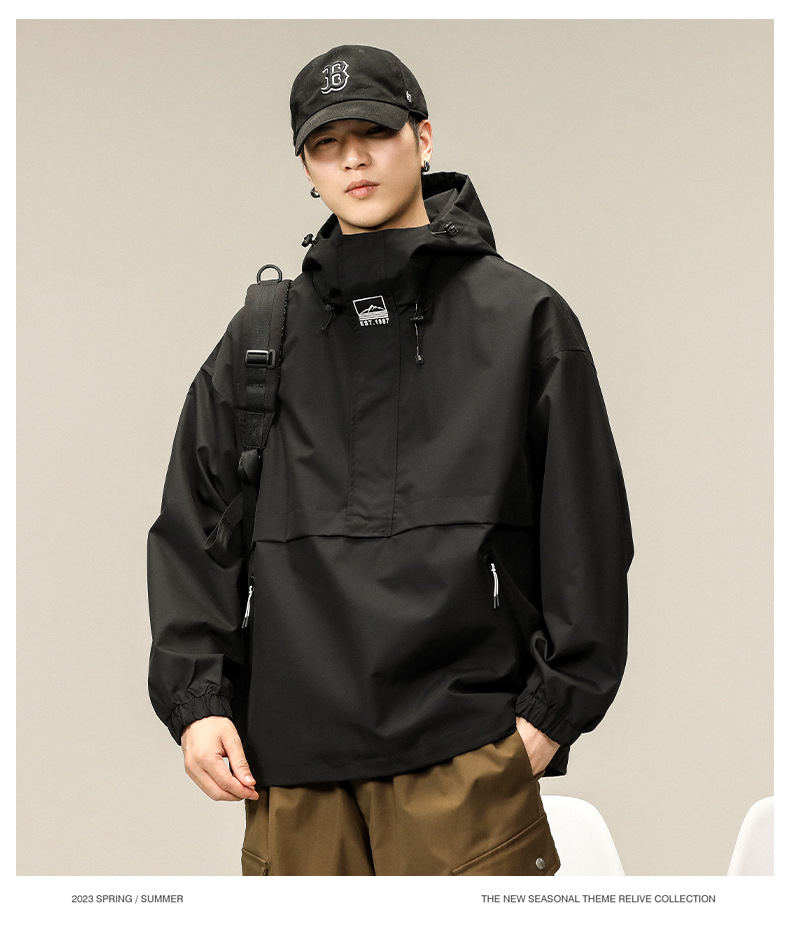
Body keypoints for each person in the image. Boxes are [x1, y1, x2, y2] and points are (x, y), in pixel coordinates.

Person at [147, 44, 634, 876]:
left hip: (464, 756)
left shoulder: (522, 319)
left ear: (424, 137)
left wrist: (549, 717)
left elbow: (585, 529)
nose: (353, 159)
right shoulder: (263, 335)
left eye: (374, 132)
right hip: (292, 770)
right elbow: (196, 525)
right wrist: (198, 702)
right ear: (307, 168)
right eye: (325, 144)